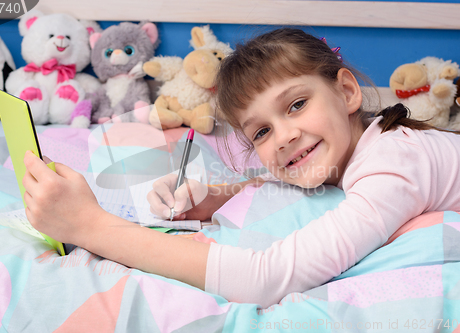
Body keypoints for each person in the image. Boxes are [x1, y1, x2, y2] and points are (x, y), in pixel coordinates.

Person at [23, 27, 460, 309]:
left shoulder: (394, 165)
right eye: (261, 133)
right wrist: (214, 198)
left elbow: (265, 278)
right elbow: (307, 172)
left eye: (297, 104)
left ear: (347, 92)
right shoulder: (361, 145)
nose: (285, 136)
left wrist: (89, 226)